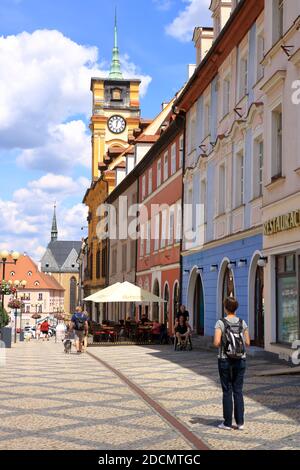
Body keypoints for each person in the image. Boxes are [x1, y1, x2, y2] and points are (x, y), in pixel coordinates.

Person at [214, 296, 250, 431]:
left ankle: (227, 423)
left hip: (225, 359)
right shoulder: (242, 322)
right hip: (240, 359)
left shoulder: (220, 323)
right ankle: (240, 422)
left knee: (227, 390)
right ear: (236, 308)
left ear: (225, 308)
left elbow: (216, 342)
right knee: (238, 390)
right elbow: (247, 342)